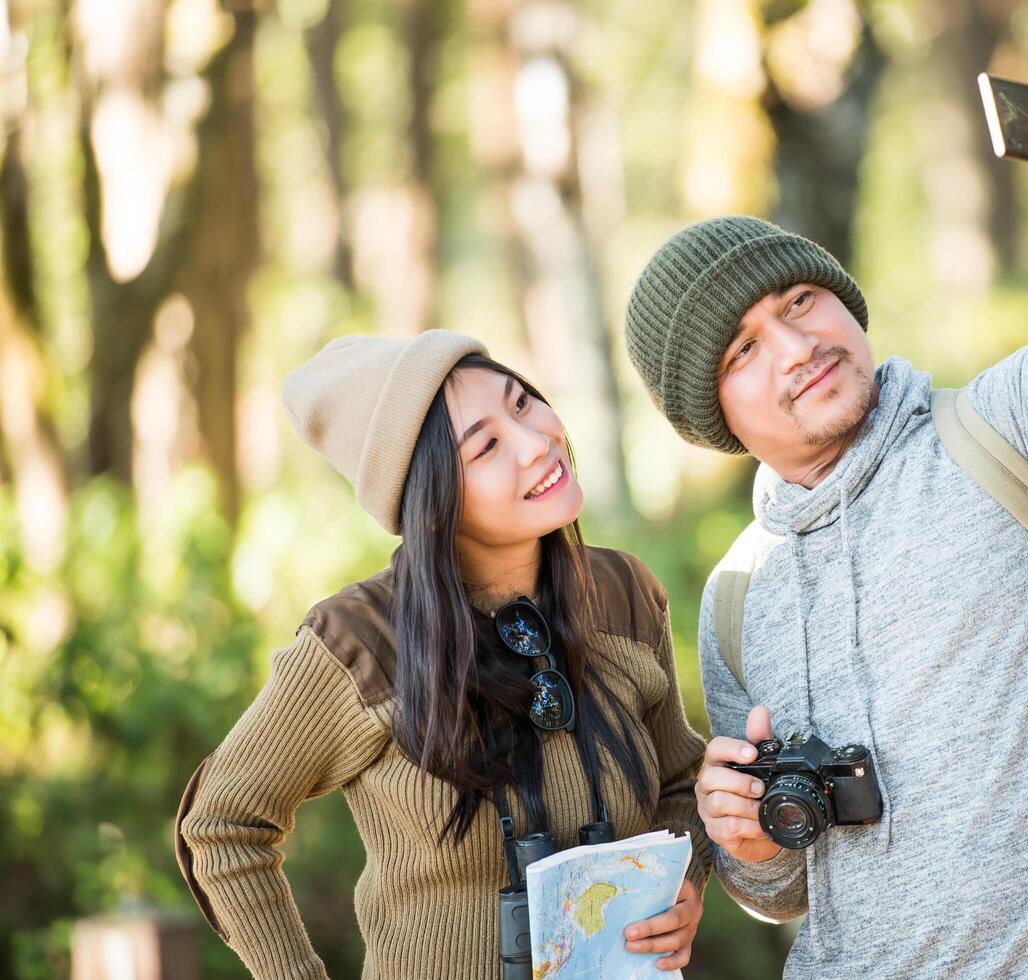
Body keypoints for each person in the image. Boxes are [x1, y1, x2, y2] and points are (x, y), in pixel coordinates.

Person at [622, 63, 1028, 977]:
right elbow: (788, 888)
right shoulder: (739, 594)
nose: (797, 349)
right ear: (710, 417)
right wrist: (747, 850)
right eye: (744, 349)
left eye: (801, 302)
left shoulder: (1016, 428)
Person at [175, 330, 711, 978]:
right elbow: (223, 824)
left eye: (522, 404)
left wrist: (681, 886)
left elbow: (682, 782)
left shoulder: (622, 594)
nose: (536, 441)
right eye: (485, 446)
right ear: (431, 500)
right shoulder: (362, 640)